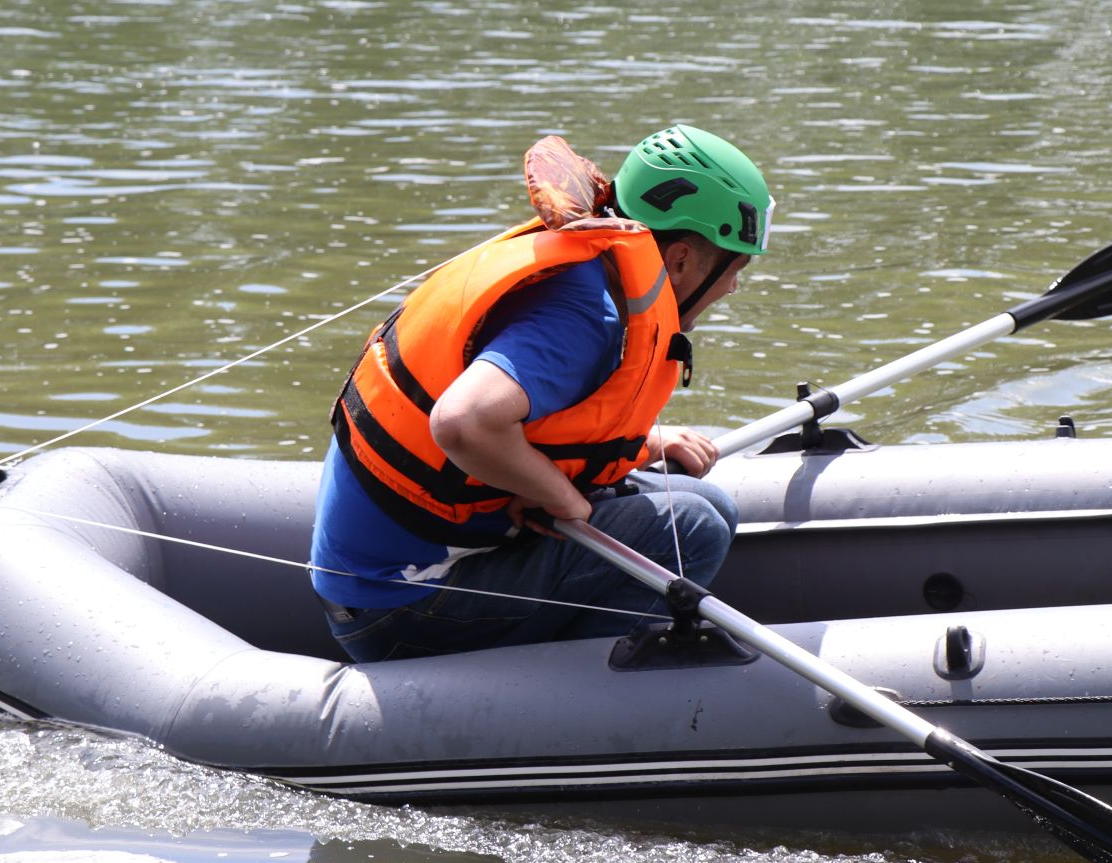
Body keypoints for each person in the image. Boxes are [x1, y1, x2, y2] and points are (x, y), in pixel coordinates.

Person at [309, 124, 773, 663]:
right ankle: (584, 692)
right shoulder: (583, 317)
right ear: (681, 260)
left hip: (402, 571)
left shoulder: (592, 270)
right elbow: (463, 422)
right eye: (733, 266)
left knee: (709, 503)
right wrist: (562, 497)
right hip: (402, 604)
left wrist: (641, 443)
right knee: (691, 530)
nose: (734, 286)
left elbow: (543, 421)